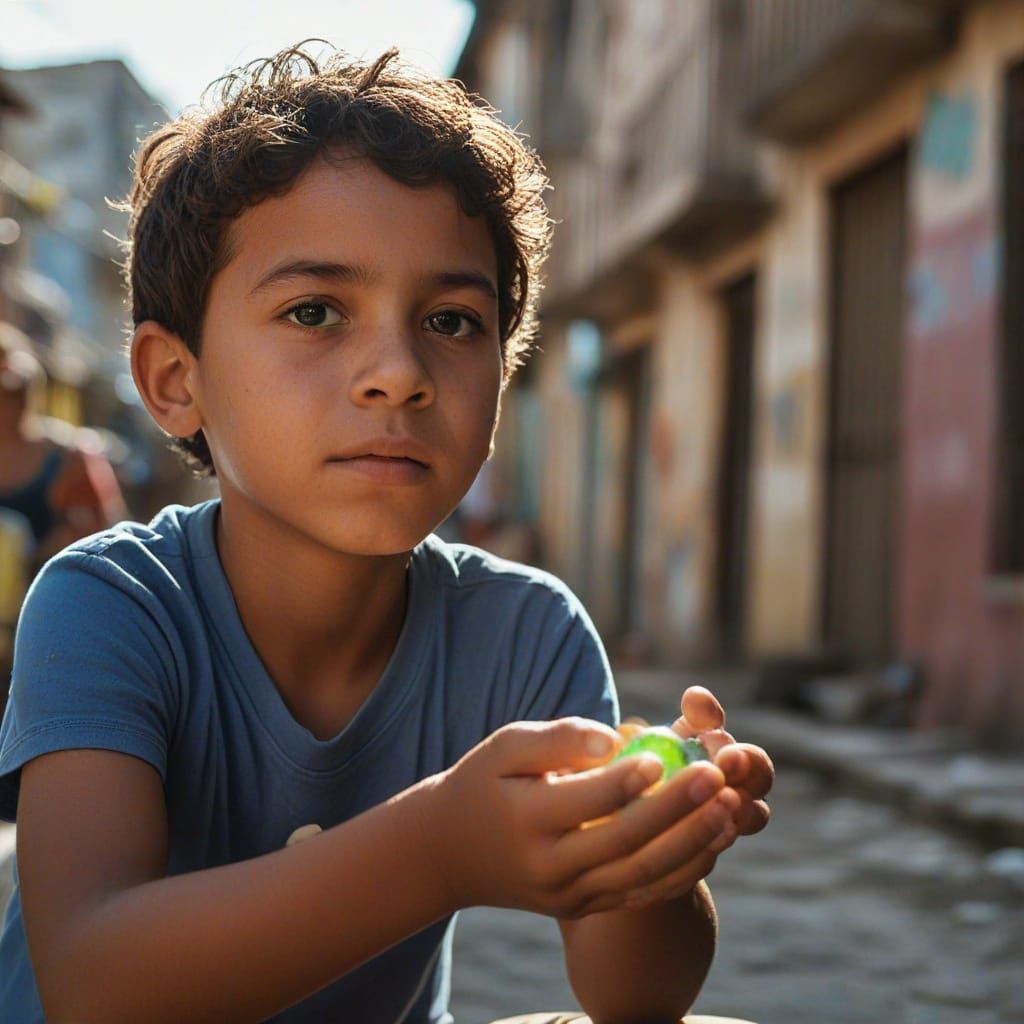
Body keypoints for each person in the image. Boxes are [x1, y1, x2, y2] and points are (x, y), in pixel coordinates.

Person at [0, 45, 773, 1024]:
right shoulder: (110, 603)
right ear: (173, 379)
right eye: (315, 310)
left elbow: (633, 997)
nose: (398, 372)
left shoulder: (526, 630)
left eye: (451, 321)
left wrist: (652, 850)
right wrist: (437, 847)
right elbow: (92, 982)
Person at [0, 324, 126, 570]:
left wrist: (55, 548)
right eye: (4, 392)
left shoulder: (70, 458)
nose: (11, 402)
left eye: (18, 390)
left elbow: (105, 540)